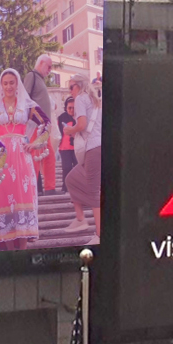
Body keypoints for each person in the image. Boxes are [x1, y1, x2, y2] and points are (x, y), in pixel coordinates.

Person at [0, 68, 49, 250]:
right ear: (1, 85)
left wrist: (36, 143)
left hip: (22, 158)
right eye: (5, 83)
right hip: (1, 159)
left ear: (17, 84)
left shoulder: (26, 105)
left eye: (11, 82)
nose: (8, 86)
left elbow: (46, 123)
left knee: (22, 200)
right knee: (2, 200)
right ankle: (7, 251)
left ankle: (22, 251)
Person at [62, 77, 101, 233]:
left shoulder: (80, 99)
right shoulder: (94, 100)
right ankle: (80, 219)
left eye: (71, 88)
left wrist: (70, 130)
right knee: (71, 179)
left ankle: (99, 234)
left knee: (93, 191)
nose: (70, 92)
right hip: (97, 148)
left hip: (93, 148)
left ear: (77, 86)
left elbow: (82, 124)